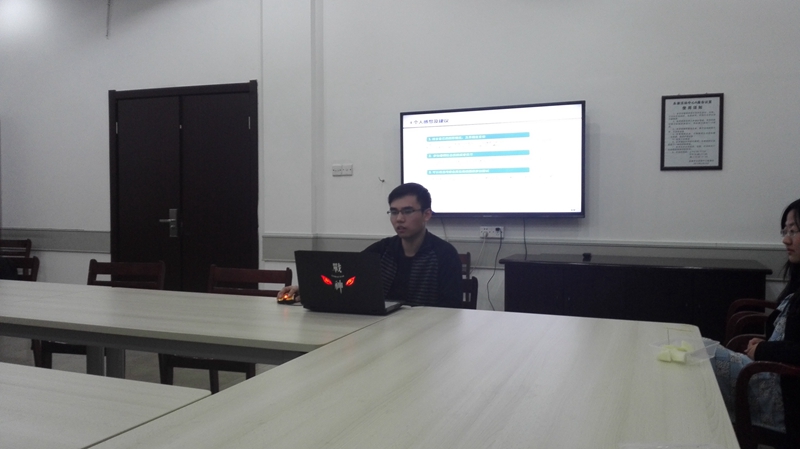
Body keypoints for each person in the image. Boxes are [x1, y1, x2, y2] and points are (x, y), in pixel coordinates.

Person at [278, 183, 463, 308]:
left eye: (407, 211)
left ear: (426, 215)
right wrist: (304, 289)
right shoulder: (382, 250)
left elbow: (450, 310)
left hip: (426, 335)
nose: (399, 219)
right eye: (394, 212)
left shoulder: (444, 255)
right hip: (380, 330)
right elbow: (345, 277)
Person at [711, 198, 800, 444]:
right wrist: (764, 343)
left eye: (793, 231)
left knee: (702, 360)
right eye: (785, 231)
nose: (786, 240)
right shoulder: (797, 281)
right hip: (768, 371)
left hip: (782, 395)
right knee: (698, 349)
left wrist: (764, 349)